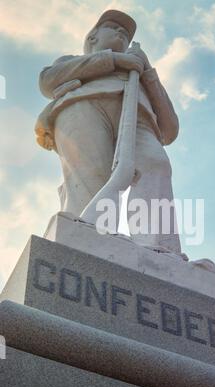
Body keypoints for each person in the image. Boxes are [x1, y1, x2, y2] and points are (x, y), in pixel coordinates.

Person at [36, 9, 181, 255]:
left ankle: (157, 248)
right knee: (92, 176)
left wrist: (147, 71)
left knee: (155, 164)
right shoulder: (70, 61)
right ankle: (86, 244)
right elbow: (48, 81)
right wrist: (113, 61)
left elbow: (170, 129)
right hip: (83, 107)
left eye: (124, 31)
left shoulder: (142, 74)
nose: (120, 31)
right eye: (112, 27)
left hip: (138, 118)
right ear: (92, 38)